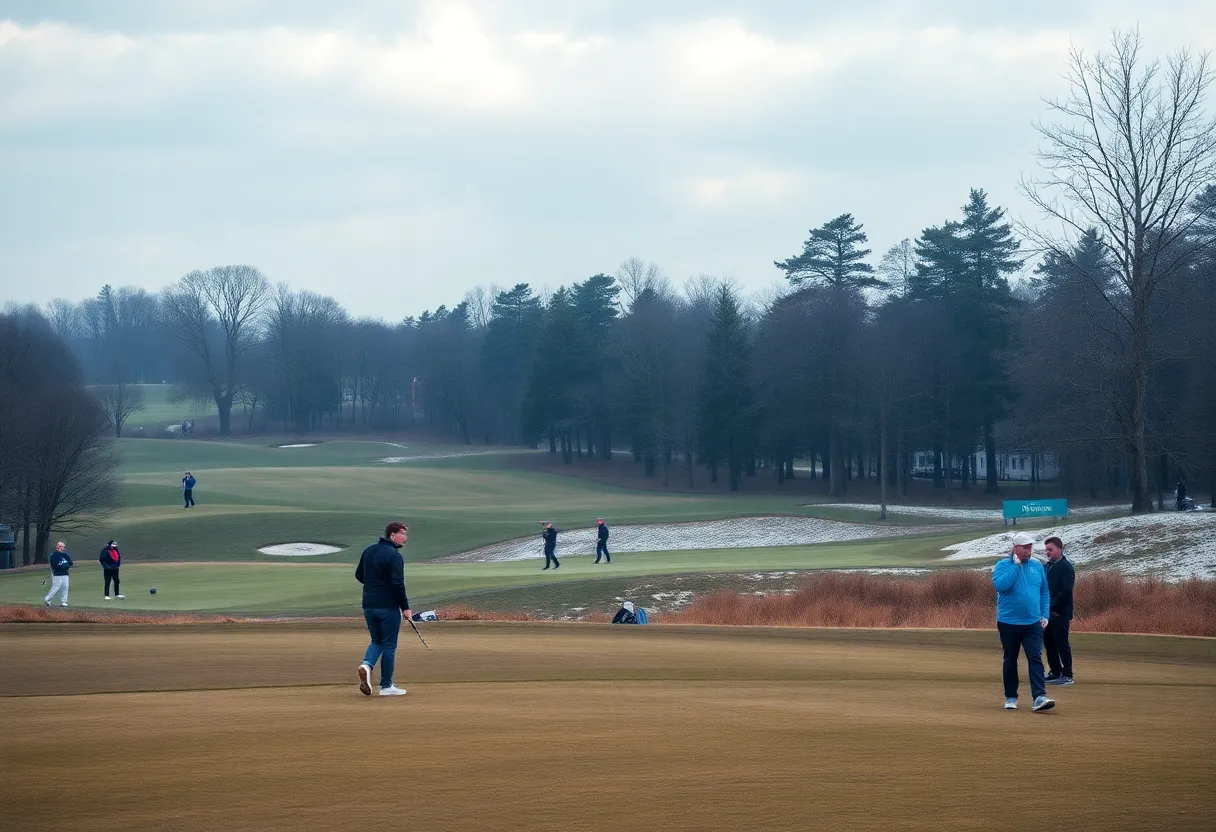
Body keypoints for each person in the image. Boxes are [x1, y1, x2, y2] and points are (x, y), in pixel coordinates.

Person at [991, 532, 1054, 712]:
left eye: (1030, 547)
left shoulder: (1037, 566)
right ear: (1015, 548)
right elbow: (1001, 586)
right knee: (1010, 659)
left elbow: (1044, 592)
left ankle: (1039, 697)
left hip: (1033, 622)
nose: (1029, 550)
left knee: (1035, 658)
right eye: (1025, 547)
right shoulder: (1002, 565)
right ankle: (1011, 697)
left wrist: (1044, 614)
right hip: (1008, 622)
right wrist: (1016, 567)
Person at [355, 522, 411, 697]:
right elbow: (398, 584)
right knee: (389, 644)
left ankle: (366, 665)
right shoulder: (394, 555)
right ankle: (386, 686)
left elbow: (359, 575)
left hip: (368, 605)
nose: (405, 538)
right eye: (402, 534)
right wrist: (405, 608)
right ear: (392, 535)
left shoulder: (368, 551)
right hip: (387, 607)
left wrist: (374, 585)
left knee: (377, 640)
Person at [1043, 536, 1075, 686]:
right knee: (1049, 642)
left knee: (1061, 643)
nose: (1047, 552)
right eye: (1046, 550)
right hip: (1047, 613)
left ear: (1059, 549)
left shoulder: (1066, 567)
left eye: (1050, 549)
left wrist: (1052, 606)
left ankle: (1067, 674)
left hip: (1060, 612)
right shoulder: (1047, 566)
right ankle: (1055, 671)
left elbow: (1066, 591)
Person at [44, 541, 73, 607]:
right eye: (62, 547)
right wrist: (64, 565)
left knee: (65, 587)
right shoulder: (54, 555)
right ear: (58, 547)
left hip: (65, 573)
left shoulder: (65, 555)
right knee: (56, 587)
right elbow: (55, 565)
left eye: (63, 547)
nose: (63, 548)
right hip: (57, 574)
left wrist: (66, 564)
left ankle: (64, 602)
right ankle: (47, 599)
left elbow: (70, 562)